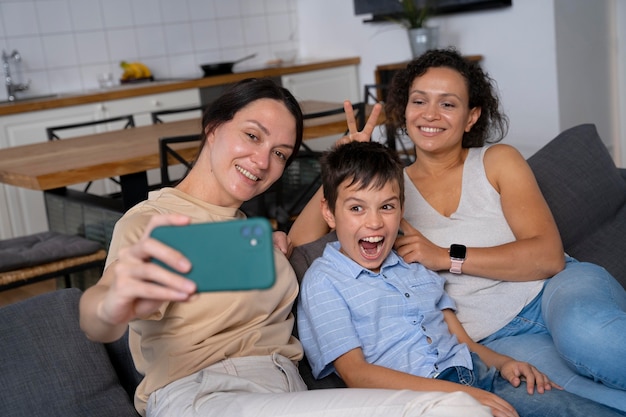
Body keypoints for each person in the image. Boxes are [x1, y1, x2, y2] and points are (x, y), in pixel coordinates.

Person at [78, 78, 491, 417]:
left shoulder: (253, 235)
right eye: (252, 136)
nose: (261, 160)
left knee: (454, 407)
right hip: (206, 395)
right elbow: (101, 316)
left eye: (279, 153)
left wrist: (346, 159)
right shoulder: (153, 221)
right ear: (214, 127)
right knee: (452, 407)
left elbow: (322, 218)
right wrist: (114, 301)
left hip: (287, 394)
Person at [289, 48, 626, 412]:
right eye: (419, 101)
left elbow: (547, 258)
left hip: (554, 293)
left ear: (472, 116)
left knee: (588, 335)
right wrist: (343, 160)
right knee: (579, 397)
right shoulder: (387, 190)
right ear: (403, 112)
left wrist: (445, 256)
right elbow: (302, 242)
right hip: (493, 337)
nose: (431, 114)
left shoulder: (497, 161)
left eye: (448, 104)